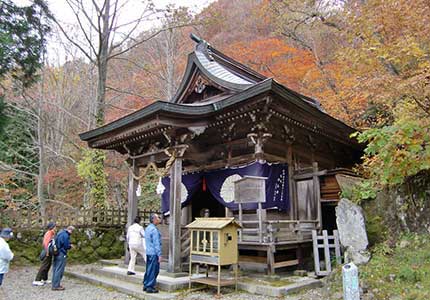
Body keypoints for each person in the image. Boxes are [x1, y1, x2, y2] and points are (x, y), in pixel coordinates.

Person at [33, 222, 56, 286]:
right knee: (44, 266)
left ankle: (44, 278)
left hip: (49, 252)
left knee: (47, 266)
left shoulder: (51, 233)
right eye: (54, 227)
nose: (55, 228)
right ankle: (37, 280)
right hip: (47, 252)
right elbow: (46, 243)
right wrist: (47, 252)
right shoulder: (49, 233)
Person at [143, 213, 162, 293]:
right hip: (154, 253)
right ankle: (150, 287)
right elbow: (156, 243)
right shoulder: (154, 230)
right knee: (154, 270)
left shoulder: (147, 228)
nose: (159, 219)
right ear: (154, 219)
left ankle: (146, 283)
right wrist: (159, 254)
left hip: (148, 252)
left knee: (149, 269)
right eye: (158, 218)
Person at [52, 226, 74, 291]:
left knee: (55, 268)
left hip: (56, 252)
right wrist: (70, 246)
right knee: (59, 269)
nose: (71, 233)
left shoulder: (59, 233)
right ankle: (56, 286)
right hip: (61, 253)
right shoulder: (65, 235)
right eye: (71, 231)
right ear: (70, 230)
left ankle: (55, 284)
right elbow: (66, 245)